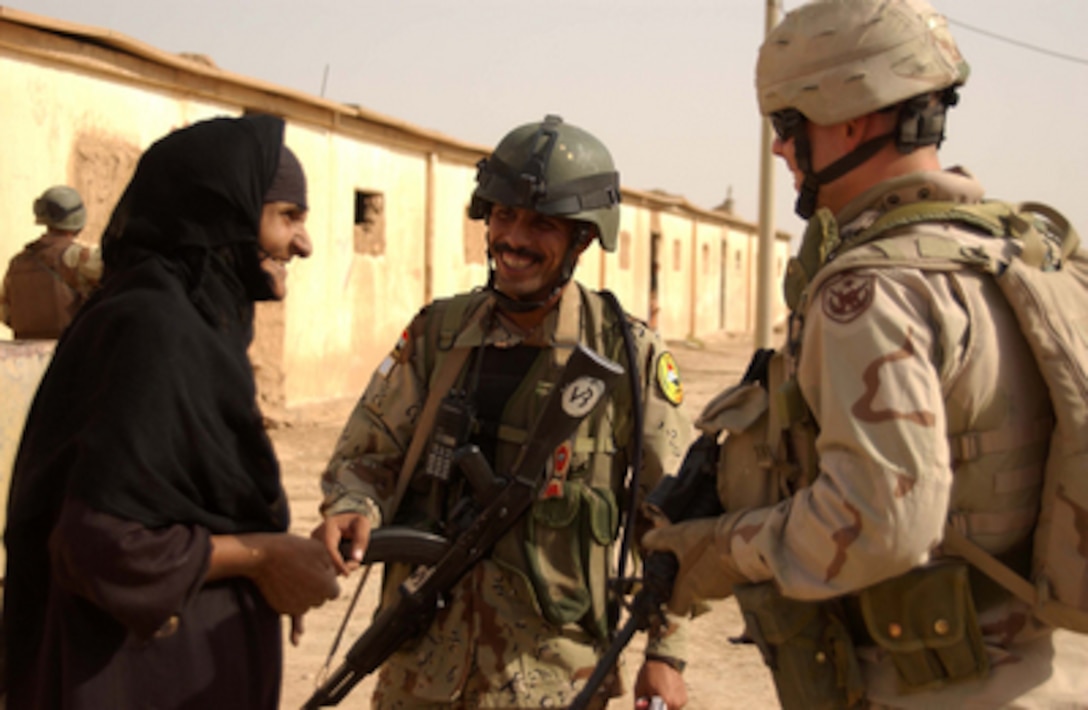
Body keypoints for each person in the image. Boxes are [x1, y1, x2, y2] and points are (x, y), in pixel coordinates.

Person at [643, 0, 1085, 707]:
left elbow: (880, 521)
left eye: (787, 125)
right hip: (1043, 672)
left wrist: (718, 551)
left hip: (929, 686)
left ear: (851, 116)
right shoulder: (1020, 255)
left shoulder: (873, 290)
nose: (779, 150)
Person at [313, 114, 693, 709]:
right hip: (418, 674)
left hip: (551, 683)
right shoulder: (439, 334)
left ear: (583, 238)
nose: (514, 238)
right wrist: (352, 506)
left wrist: (665, 654)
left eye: (541, 224)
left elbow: (671, 523)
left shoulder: (626, 356)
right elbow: (368, 453)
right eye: (504, 215)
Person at [3, 114, 339, 709]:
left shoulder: (191, 325)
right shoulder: (155, 329)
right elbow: (100, 544)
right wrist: (265, 556)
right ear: (225, 214)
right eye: (288, 216)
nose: (304, 244)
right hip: (133, 679)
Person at [0, 185, 102, 339]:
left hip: (25, 357)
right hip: (70, 353)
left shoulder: (18, 262)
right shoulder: (79, 257)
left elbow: (5, 313)